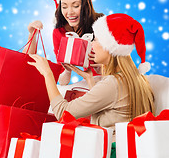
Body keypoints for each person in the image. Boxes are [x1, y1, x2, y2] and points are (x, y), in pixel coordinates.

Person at [28, 13, 155, 157]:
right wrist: (89, 79)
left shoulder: (113, 83)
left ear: (109, 47)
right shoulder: (136, 79)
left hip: (107, 151)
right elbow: (112, 109)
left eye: (96, 39)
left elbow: (63, 113)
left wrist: (48, 73)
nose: (91, 44)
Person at [52, 0, 104, 85]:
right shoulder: (59, 32)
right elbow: (62, 82)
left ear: (86, 6)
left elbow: (121, 68)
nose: (69, 12)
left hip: (108, 82)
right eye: (64, 7)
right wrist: (67, 70)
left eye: (75, 6)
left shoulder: (101, 24)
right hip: (89, 84)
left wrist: (102, 68)